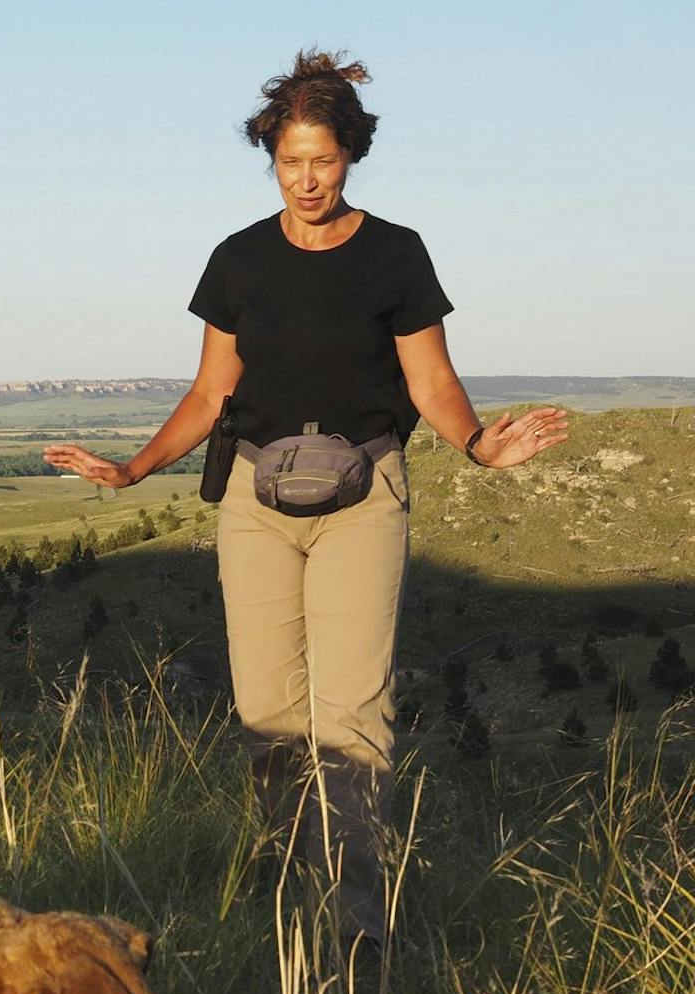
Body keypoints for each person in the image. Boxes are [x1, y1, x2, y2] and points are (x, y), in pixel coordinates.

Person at [43, 50, 566, 949]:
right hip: (253, 497)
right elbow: (211, 394)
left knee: (353, 712)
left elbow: (430, 380)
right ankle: (291, 897)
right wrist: (132, 469)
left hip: (365, 495)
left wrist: (480, 445)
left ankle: (359, 923)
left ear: (351, 154)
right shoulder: (238, 260)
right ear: (270, 158)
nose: (307, 178)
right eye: (291, 162)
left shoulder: (395, 254)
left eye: (323, 160)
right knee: (271, 712)